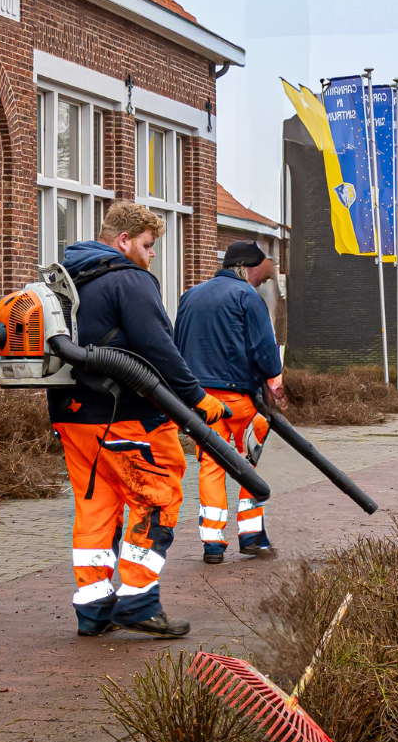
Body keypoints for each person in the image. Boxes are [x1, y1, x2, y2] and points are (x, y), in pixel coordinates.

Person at [52, 203, 228, 639]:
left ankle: (93, 610)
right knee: (157, 496)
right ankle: (138, 600)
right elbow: (159, 349)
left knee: (96, 507)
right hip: (127, 417)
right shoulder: (130, 280)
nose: (152, 256)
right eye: (148, 246)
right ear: (124, 242)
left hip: (73, 419)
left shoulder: (65, 281)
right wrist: (197, 399)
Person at [175, 242, 286, 563]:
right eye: (260, 277)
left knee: (211, 465)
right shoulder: (247, 297)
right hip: (241, 401)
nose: (260, 283)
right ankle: (251, 536)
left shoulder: (190, 296)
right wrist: (272, 376)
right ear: (246, 267)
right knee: (248, 464)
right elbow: (266, 356)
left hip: (201, 401)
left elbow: (176, 345)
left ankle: (212, 542)